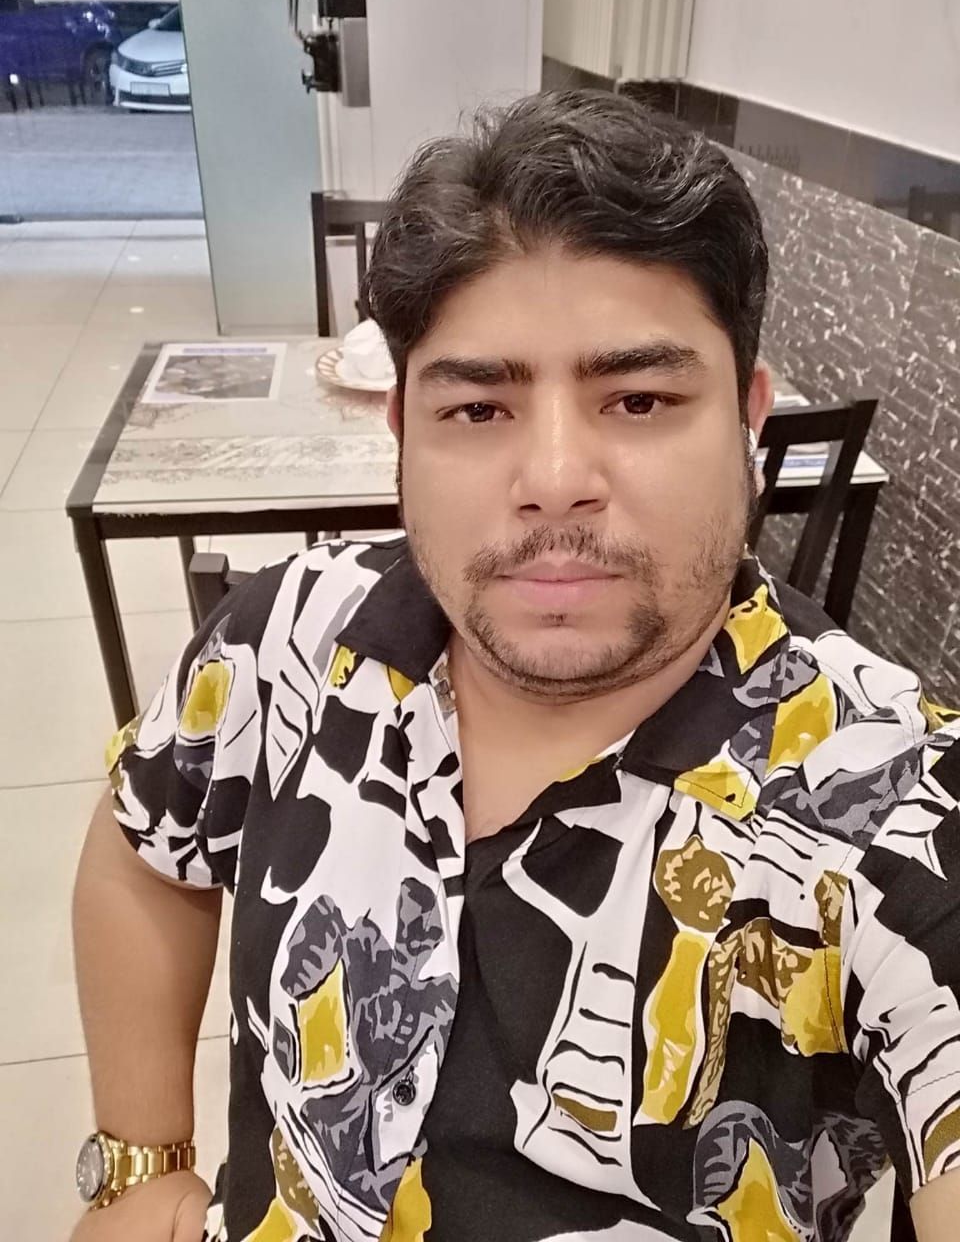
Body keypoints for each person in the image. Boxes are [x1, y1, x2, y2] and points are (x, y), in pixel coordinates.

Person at [71, 89, 960, 1242]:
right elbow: (143, 846)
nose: (553, 479)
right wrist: (140, 1162)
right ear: (404, 429)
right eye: (480, 407)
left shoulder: (890, 804)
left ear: (747, 420)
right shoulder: (285, 635)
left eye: (637, 398)